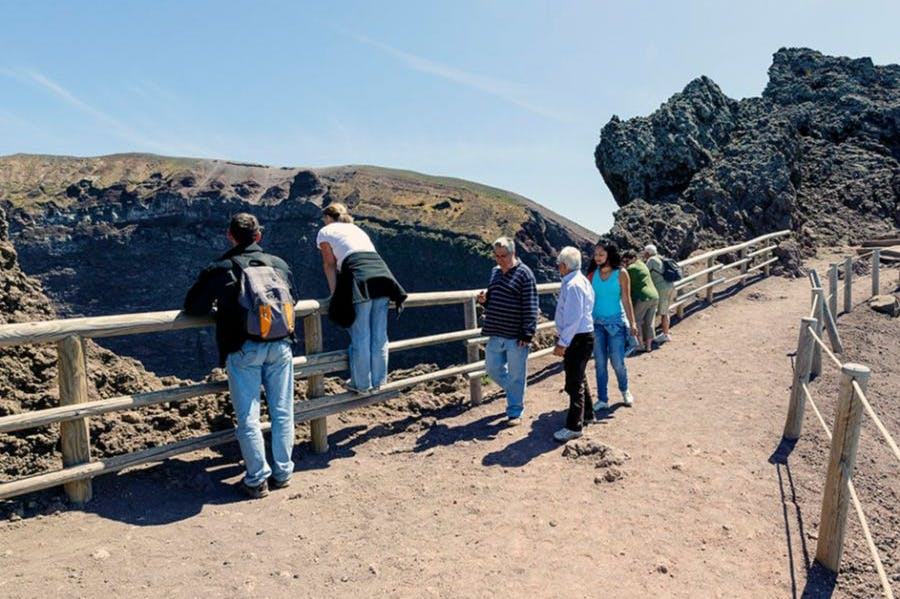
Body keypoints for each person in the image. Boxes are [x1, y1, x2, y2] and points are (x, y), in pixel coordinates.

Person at [184, 213, 296, 499]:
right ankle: (283, 473)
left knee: (248, 416)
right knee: (282, 411)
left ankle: (258, 479)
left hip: (243, 348)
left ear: (230, 236)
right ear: (259, 236)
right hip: (281, 344)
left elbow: (194, 307)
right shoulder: (279, 265)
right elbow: (293, 299)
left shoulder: (221, 268)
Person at [317, 202, 407, 393]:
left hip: (360, 279)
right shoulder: (356, 229)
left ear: (328, 218)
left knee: (361, 335)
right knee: (379, 336)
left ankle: (361, 384)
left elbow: (329, 264)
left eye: (324, 219)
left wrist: (334, 294)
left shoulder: (326, 231)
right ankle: (378, 382)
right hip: (382, 277)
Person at [477, 236, 538, 426]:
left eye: (503, 255)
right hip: (496, 330)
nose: (500, 259)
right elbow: (493, 296)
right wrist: (484, 300)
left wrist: (527, 333)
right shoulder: (495, 272)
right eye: (496, 256)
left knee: (517, 373)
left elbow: (531, 304)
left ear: (513, 253)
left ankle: (514, 412)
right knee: (492, 369)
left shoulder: (525, 274)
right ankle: (516, 391)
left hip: (515, 335)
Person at [586, 241, 638, 409]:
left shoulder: (621, 273)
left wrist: (633, 323)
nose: (598, 258)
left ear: (610, 254)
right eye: (596, 255)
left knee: (617, 361)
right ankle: (602, 399)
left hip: (616, 323)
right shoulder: (592, 275)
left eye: (601, 254)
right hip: (597, 323)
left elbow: (626, 298)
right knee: (600, 363)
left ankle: (625, 390)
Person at [552, 246, 595, 442]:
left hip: (577, 338)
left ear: (564, 265)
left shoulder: (573, 285)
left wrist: (563, 343)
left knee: (573, 382)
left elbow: (573, 318)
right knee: (579, 376)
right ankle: (588, 414)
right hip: (583, 336)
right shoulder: (582, 281)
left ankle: (574, 426)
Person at [622, 249, 659, 353]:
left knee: (636, 320)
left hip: (643, 297)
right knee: (649, 321)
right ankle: (648, 346)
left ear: (633, 258)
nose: (626, 263)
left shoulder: (631, 268)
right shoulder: (642, 264)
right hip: (654, 295)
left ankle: (639, 345)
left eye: (627, 260)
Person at [644, 244, 676, 342]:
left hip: (661, 289)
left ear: (647, 253)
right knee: (665, 310)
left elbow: (645, 273)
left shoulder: (651, 260)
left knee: (663, 312)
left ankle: (665, 335)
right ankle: (665, 333)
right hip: (670, 286)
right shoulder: (661, 258)